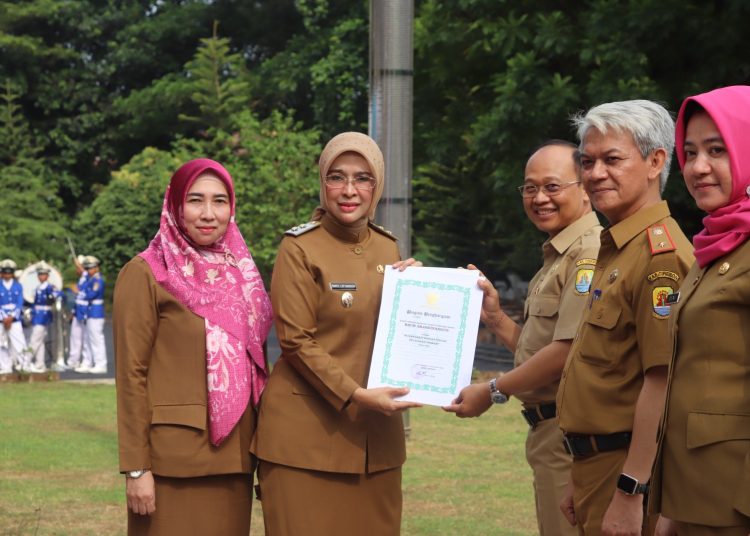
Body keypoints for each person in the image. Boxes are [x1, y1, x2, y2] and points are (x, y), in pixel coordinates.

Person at [252, 132, 421, 535]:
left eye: (362, 178)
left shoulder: (389, 249)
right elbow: (295, 341)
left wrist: (420, 292)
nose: (349, 190)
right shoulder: (299, 248)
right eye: (336, 177)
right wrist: (358, 395)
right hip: (305, 440)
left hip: (375, 444)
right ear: (322, 183)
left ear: (376, 186)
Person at [444, 140, 601, 535]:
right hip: (551, 437)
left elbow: (567, 353)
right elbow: (540, 350)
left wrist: (494, 389)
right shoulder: (560, 254)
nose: (539, 198)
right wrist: (496, 319)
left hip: (569, 436)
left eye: (552, 186)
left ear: (585, 188)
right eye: (529, 188)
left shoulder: (588, 252)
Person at [555, 100, 694, 535]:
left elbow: (662, 380)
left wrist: (630, 489)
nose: (595, 174)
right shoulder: (619, 247)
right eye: (588, 161)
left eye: (612, 160)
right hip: (597, 467)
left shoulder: (661, 256)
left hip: (629, 473)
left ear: (656, 162)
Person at [114, 158, 273, 535]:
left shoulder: (242, 274)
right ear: (175, 205)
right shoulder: (146, 272)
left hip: (236, 458)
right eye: (195, 200)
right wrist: (137, 468)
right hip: (170, 464)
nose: (208, 213)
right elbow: (130, 375)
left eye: (219, 201)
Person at [649, 86, 750, 536]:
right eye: (689, 152)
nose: (698, 167)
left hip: (734, 506)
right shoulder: (715, 246)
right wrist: (672, 507)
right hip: (696, 498)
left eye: (717, 150)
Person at [27, 261, 61, 372]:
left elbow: (58, 295)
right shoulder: (38, 287)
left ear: (47, 276)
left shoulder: (49, 287)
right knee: (39, 341)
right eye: (39, 274)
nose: (41, 276)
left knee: (35, 340)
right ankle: (40, 363)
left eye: (43, 274)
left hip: (44, 316)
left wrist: (52, 297)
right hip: (37, 315)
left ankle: (25, 362)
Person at [78, 255, 107, 374]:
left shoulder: (98, 280)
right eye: (87, 268)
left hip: (95, 311)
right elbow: (81, 288)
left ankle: (101, 364)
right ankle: (87, 362)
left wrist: (82, 293)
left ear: (96, 268)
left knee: (96, 339)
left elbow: (90, 294)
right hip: (89, 311)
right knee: (87, 339)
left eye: (90, 268)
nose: (88, 271)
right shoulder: (89, 279)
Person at [0, 259, 28, 373]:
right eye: (5, 272)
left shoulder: (18, 286)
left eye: (9, 272)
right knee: (1, 343)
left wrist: (11, 317)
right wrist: (4, 317)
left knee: (19, 342)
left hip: (14, 319)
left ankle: (24, 366)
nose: (7, 274)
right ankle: (5, 366)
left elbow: (20, 303)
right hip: (2, 318)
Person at [67, 255, 90, 370]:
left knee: (86, 338)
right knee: (75, 337)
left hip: (85, 312)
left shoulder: (87, 277)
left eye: (78, 267)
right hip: (77, 311)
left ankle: (86, 362)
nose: (76, 269)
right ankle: (73, 361)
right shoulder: (82, 278)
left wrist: (78, 263)